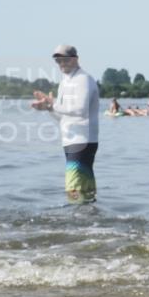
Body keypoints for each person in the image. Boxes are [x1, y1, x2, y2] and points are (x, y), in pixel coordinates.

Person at [31, 44, 100, 203]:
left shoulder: (83, 79)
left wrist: (53, 105)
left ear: (75, 59)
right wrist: (48, 108)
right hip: (70, 141)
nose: (62, 64)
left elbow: (80, 110)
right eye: (58, 61)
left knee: (73, 186)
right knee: (85, 186)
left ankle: (77, 221)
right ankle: (92, 221)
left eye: (65, 60)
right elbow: (63, 117)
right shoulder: (64, 82)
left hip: (83, 140)